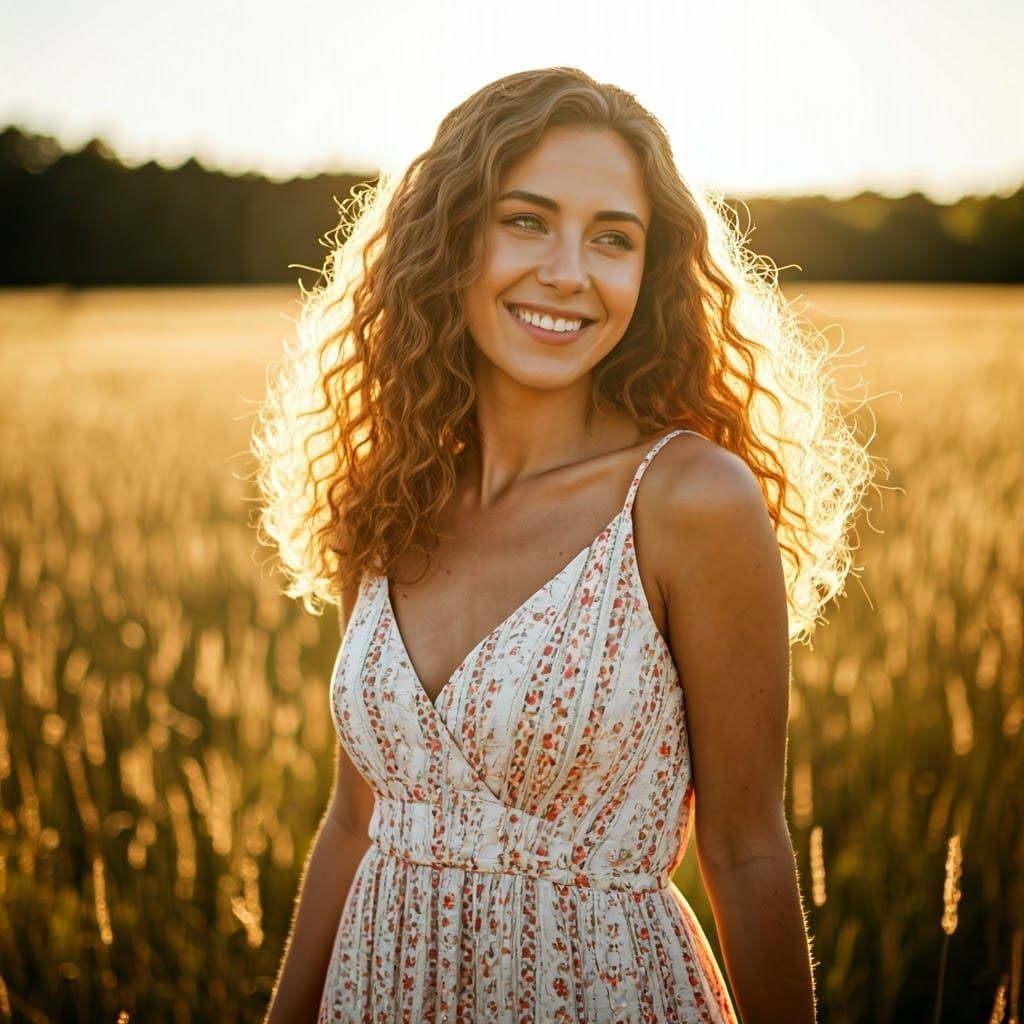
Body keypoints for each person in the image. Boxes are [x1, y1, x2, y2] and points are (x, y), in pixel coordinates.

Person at [254, 67, 873, 1024]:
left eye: (613, 239)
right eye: (527, 220)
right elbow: (355, 816)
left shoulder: (687, 500)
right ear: (449, 236)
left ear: (648, 273)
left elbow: (746, 849)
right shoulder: (389, 498)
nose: (570, 272)